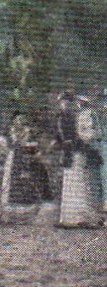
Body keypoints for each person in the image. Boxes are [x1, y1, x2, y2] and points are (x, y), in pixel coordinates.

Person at [56, 91, 104, 228]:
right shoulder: (63, 118)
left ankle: (82, 217)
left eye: (67, 102)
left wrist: (80, 142)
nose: (65, 105)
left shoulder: (80, 116)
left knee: (79, 181)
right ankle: (68, 217)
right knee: (69, 181)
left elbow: (87, 134)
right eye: (62, 103)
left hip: (78, 151)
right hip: (69, 152)